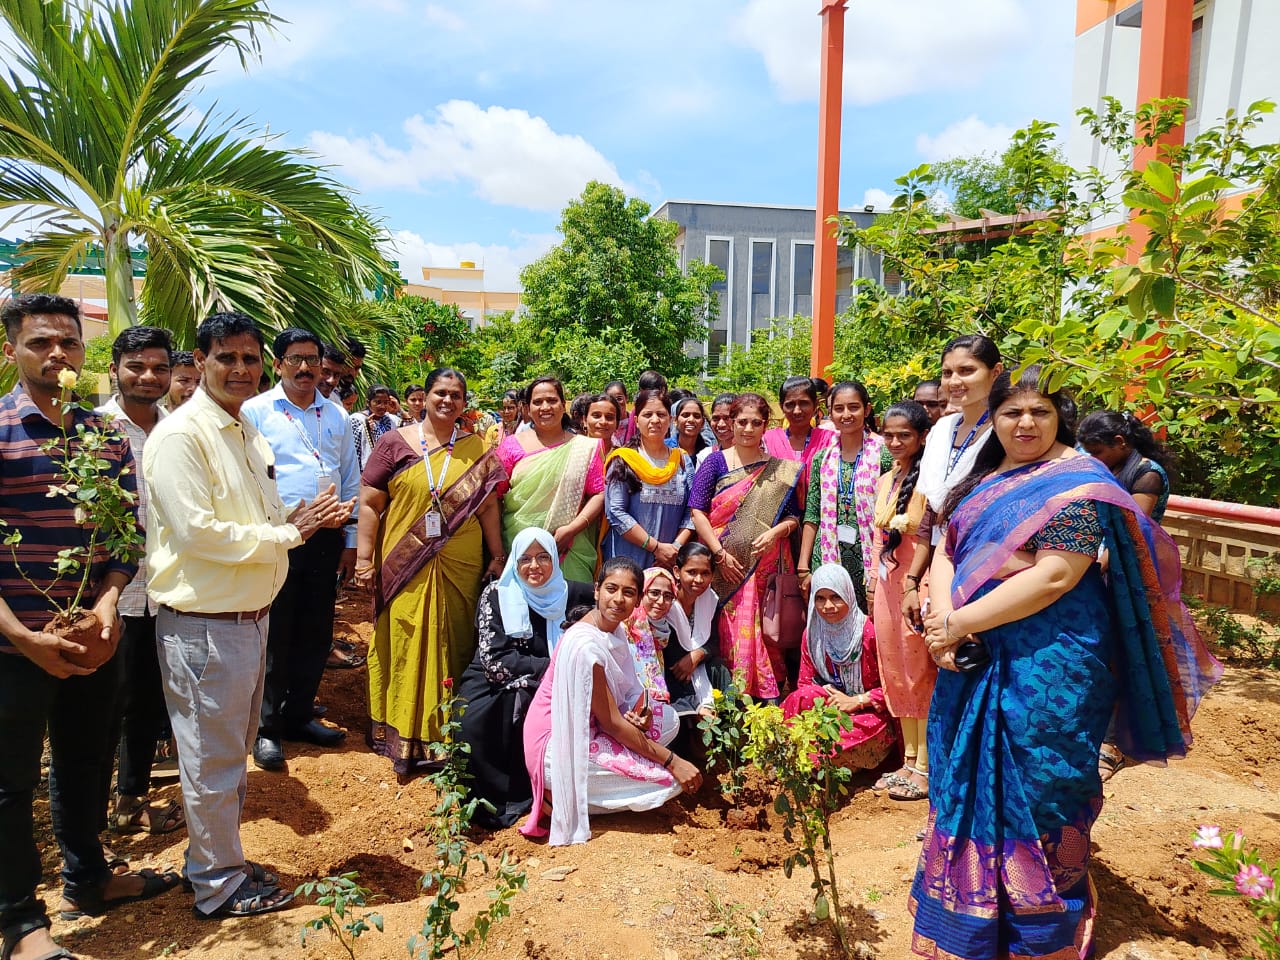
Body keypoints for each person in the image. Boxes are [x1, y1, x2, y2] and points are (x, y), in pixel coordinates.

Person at [911, 365, 1221, 960]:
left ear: (1060, 419)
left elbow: (1055, 576)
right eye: (1011, 412)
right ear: (993, 418)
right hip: (969, 659)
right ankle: (971, 927)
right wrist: (943, 624)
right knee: (963, 778)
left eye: (1040, 412)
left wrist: (957, 622)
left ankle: (1042, 936)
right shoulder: (980, 480)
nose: (1025, 423)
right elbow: (952, 547)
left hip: (1049, 664)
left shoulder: (1076, 481)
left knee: (1043, 782)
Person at [145, 311, 353, 919]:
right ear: (201, 360)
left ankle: (215, 862)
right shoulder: (184, 437)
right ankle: (217, 885)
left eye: (249, 358)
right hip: (207, 623)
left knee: (227, 754)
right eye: (226, 358)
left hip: (244, 618)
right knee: (211, 759)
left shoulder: (242, 430)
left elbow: (257, 513)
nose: (240, 369)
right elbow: (198, 533)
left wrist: (296, 522)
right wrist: (290, 533)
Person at [0, 295, 169, 958]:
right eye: (41, 342)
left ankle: (89, 878)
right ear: (12, 349)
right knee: (9, 783)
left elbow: (123, 540)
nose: (57, 354)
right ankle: (18, 921)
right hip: (13, 645)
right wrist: (20, 637)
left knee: (85, 761)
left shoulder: (100, 437)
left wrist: (105, 609)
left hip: (92, 634)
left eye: (68, 342)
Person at [353, 368, 507, 780]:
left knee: (454, 638)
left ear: (464, 403)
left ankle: (450, 733)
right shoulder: (394, 443)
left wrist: (496, 554)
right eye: (441, 392)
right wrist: (364, 560)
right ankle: (401, 732)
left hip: (463, 561)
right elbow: (369, 504)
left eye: (456, 395)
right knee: (406, 637)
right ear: (425, 395)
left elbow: (489, 506)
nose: (448, 401)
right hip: (405, 562)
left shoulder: (476, 447)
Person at [241, 329, 361, 772]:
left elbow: (350, 478)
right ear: (278, 364)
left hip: (327, 536)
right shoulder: (255, 412)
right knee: (276, 632)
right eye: (295, 359)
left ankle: (299, 715)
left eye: (311, 359)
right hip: (277, 536)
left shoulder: (336, 416)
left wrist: (349, 540)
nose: (305, 368)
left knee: (315, 629)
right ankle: (267, 727)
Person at [519, 557, 702, 845]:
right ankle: (556, 796)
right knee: (667, 783)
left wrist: (642, 715)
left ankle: (589, 791)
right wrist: (672, 760)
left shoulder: (615, 630)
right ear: (597, 591)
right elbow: (613, 725)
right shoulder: (585, 646)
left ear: (637, 598)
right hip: (557, 747)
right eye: (611, 589)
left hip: (596, 729)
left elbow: (632, 690)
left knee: (669, 720)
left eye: (628, 593)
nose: (618, 599)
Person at [98, 326, 184, 836]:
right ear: (116, 369)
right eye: (136, 366)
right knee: (108, 704)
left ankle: (130, 797)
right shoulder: (92, 430)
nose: (148, 376)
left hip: (169, 590)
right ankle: (91, 810)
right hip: (110, 595)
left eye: (158, 367)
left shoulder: (177, 431)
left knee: (148, 700)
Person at [457, 529, 594, 829]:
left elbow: (615, 604)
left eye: (543, 557)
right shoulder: (499, 594)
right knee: (471, 721)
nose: (535, 566)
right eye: (526, 559)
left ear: (555, 559)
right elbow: (494, 659)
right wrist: (553, 668)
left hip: (549, 680)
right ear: (515, 565)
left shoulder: (575, 594)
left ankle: (533, 794)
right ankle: (487, 805)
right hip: (494, 677)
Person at [689, 392, 801, 701]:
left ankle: (765, 701)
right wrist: (719, 554)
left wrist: (777, 532)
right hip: (723, 564)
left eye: (755, 423)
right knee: (725, 628)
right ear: (730, 423)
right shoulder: (714, 462)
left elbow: (793, 516)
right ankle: (727, 698)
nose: (748, 429)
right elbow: (697, 510)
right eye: (742, 422)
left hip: (764, 566)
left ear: (766, 425)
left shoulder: (779, 469)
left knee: (762, 631)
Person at [869, 401, 935, 802]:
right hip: (888, 582)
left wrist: (915, 583)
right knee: (893, 665)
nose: (894, 442)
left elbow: (930, 535)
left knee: (919, 669)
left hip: (918, 580)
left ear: (922, 436)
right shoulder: (886, 479)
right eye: (889, 434)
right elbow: (879, 536)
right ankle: (908, 760)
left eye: (904, 435)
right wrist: (874, 583)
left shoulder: (931, 479)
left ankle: (925, 767)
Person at [780, 565, 896, 768]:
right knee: (801, 698)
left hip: (869, 712)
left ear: (849, 595)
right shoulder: (812, 635)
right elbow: (805, 684)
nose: (828, 606)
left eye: (836, 597)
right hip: (831, 707)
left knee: (856, 731)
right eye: (820, 598)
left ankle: (814, 763)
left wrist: (857, 701)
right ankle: (788, 755)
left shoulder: (869, 633)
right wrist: (831, 698)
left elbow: (894, 689)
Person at [495, 377, 605, 583]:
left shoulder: (584, 448)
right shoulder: (510, 447)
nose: (545, 407)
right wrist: (497, 552)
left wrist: (572, 529)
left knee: (572, 610)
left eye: (552, 400)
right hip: (521, 548)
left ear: (563, 406)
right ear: (526, 408)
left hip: (571, 548)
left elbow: (599, 492)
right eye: (537, 402)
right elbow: (495, 497)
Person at [798, 381, 886, 614]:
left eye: (853, 407)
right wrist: (803, 565)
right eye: (839, 408)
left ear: (866, 410)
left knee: (870, 624)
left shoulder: (884, 454)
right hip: (828, 554)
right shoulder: (822, 458)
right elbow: (813, 511)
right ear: (830, 412)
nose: (846, 415)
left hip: (870, 557)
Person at [916, 335, 1003, 530]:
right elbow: (930, 506)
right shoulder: (942, 428)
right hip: (938, 542)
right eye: (947, 373)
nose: (954, 381)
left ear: (996, 372)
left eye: (966, 371)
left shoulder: (1004, 430)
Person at [601, 389, 694, 568]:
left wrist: (673, 549)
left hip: (669, 560)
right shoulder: (623, 460)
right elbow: (615, 512)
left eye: (661, 414)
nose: (655, 420)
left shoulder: (682, 460)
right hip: (627, 560)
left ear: (671, 421)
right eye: (647, 414)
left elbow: (693, 510)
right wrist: (656, 547)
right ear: (636, 421)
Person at [660, 543, 731, 718]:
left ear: (712, 576)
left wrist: (697, 655)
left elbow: (713, 642)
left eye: (705, 573)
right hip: (672, 674)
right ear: (677, 572)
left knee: (720, 670)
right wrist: (686, 662)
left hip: (698, 667)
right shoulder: (663, 602)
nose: (698, 580)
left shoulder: (709, 600)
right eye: (691, 572)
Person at [1077, 409, 1173, 522]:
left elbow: (1135, 526)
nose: (1092, 458)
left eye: (1097, 452)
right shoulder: (1112, 465)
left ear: (1119, 442)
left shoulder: (1148, 475)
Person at [763, 375, 837, 504]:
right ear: (782, 407)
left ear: (815, 405)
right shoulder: (768, 440)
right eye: (790, 405)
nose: (797, 411)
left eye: (804, 403)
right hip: (778, 519)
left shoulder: (830, 440)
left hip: (823, 516)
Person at [351, 384, 398, 471]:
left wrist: (399, 410)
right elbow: (353, 450)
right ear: (368, 402)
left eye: (386, 402)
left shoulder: (391, 420)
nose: (383, 406)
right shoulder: (357, 419)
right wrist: (366, 429)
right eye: (378, 402)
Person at [667, 395, 713, 467]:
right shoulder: (664, 448)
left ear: (703, 423)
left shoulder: (708, 454)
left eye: (696, 416)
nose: (691, 420)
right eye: (685, 415)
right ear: (675, 421)